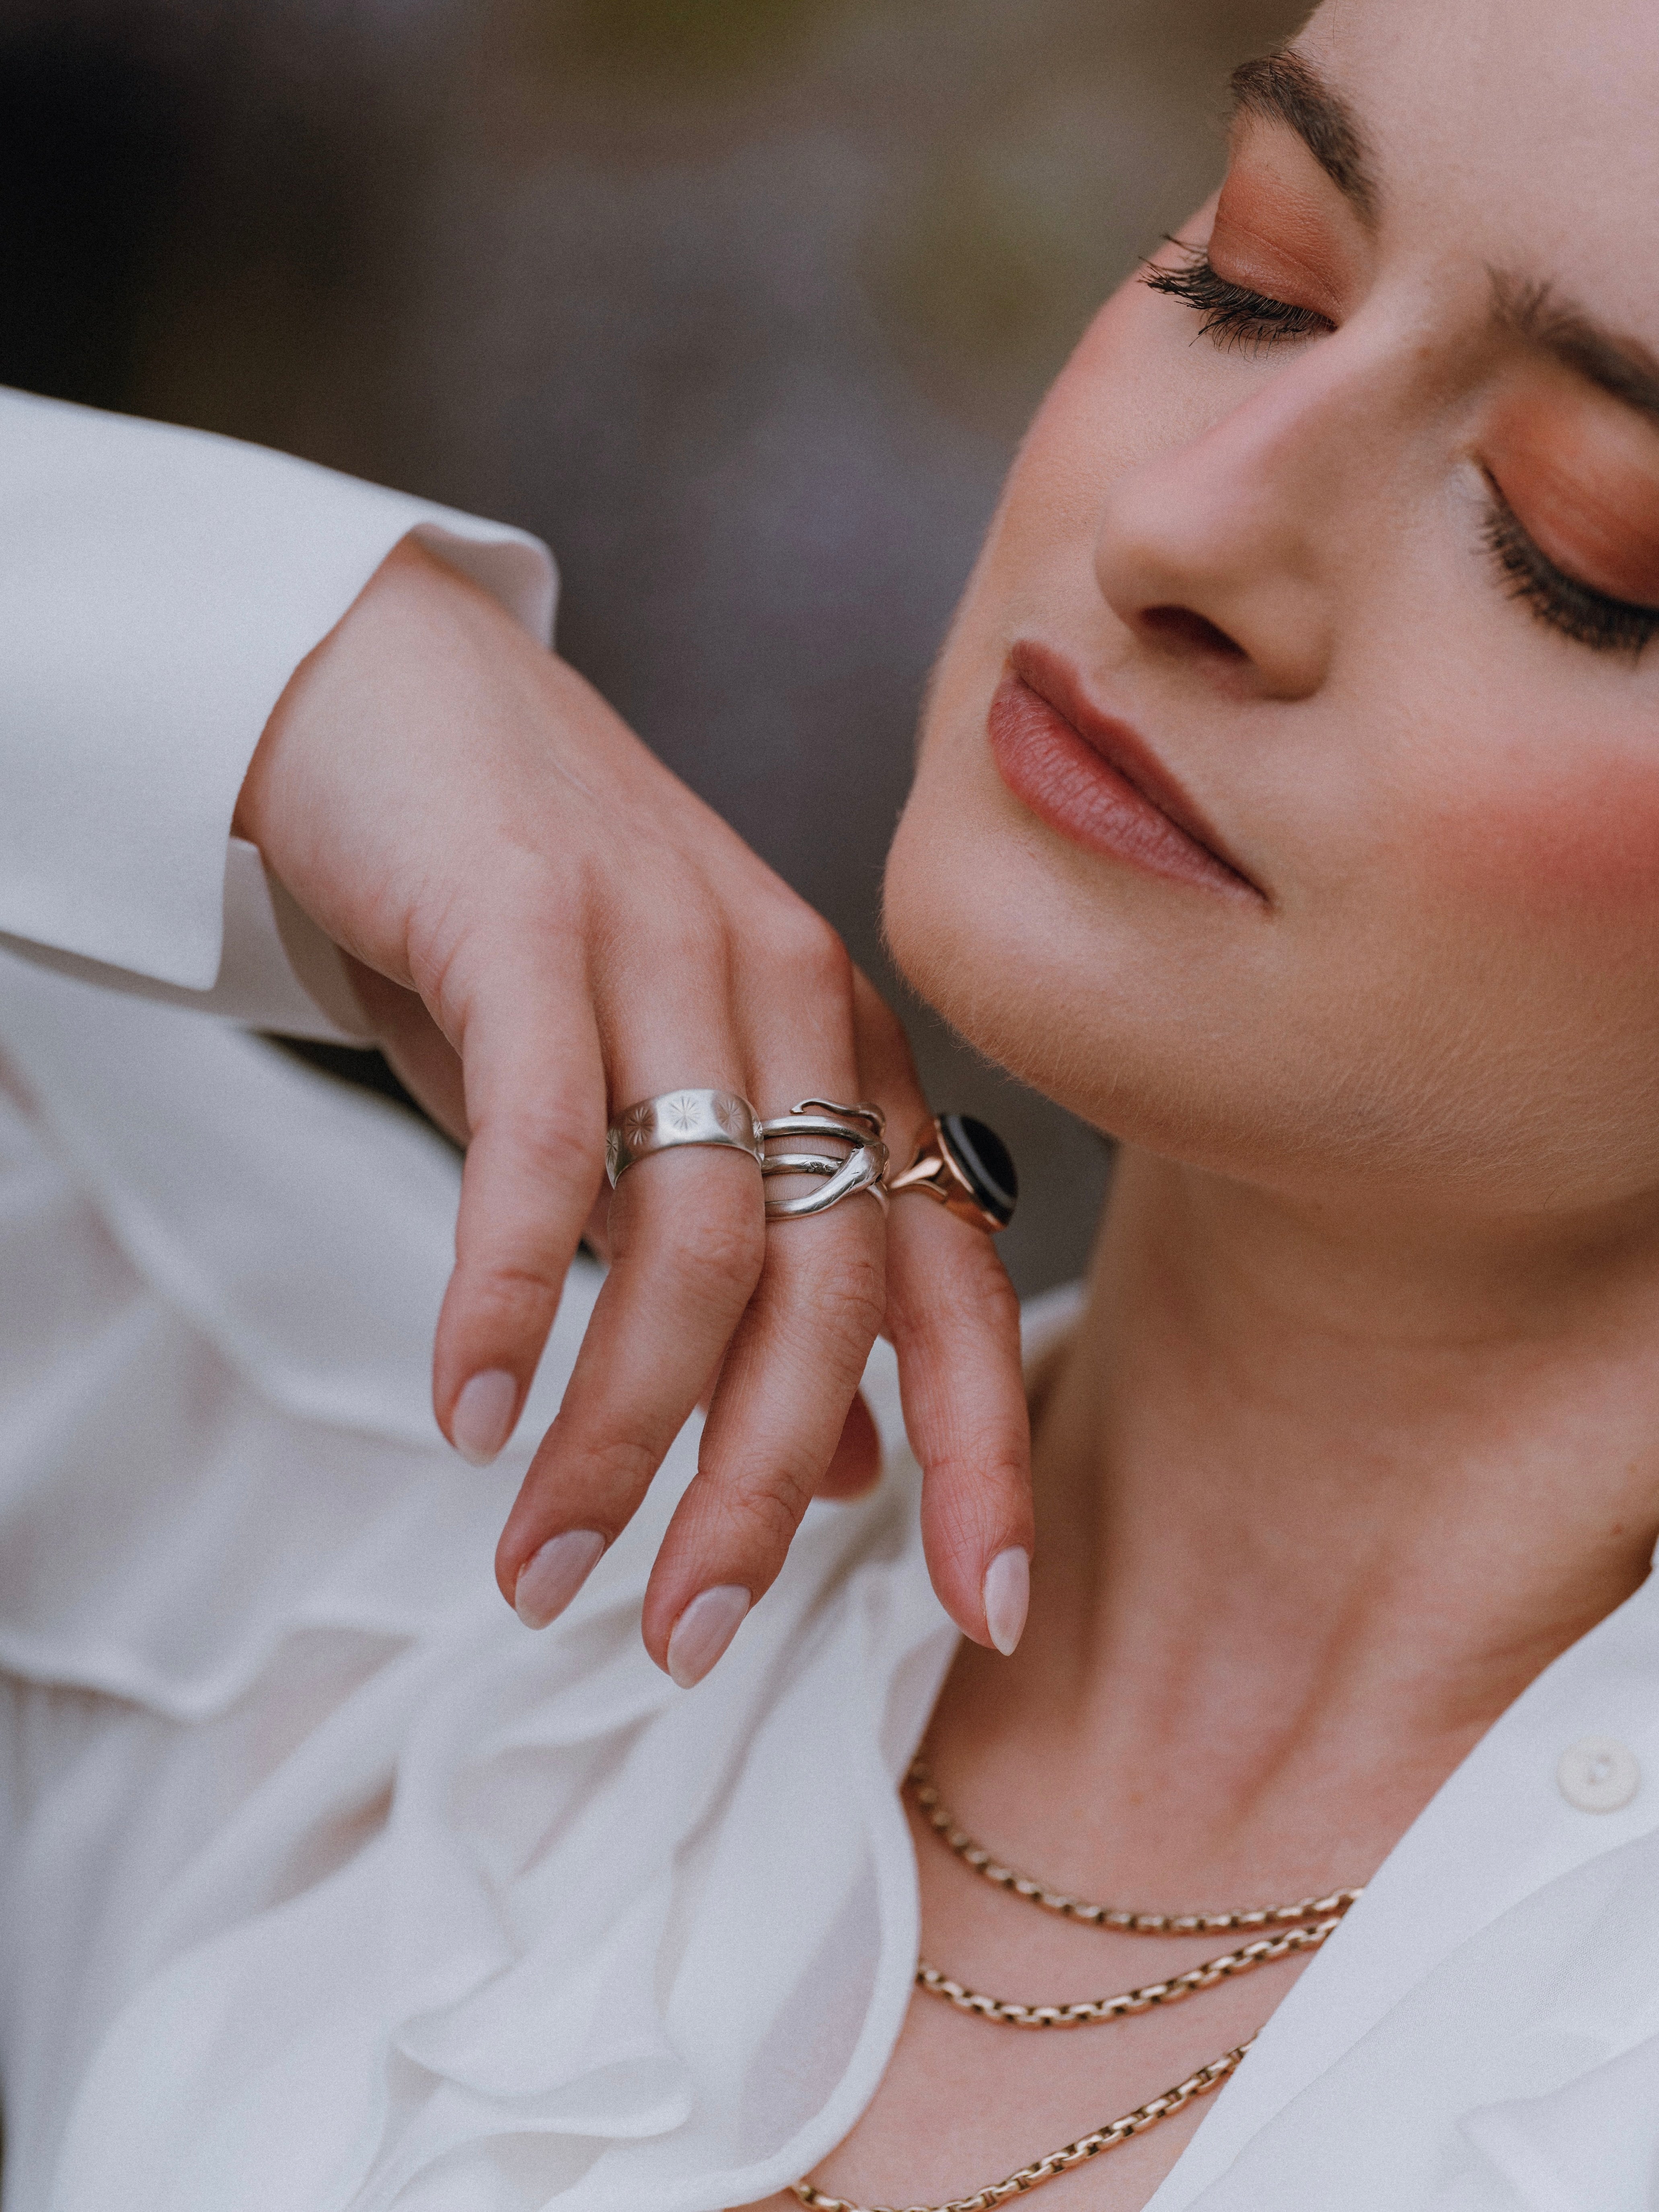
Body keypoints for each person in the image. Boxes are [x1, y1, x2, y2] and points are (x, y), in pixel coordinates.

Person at [5, 0, 1659, 2207]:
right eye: (1248, 275)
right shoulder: (386, 1582)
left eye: (1585, 546)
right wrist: (311, 667)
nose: (1186, 522)